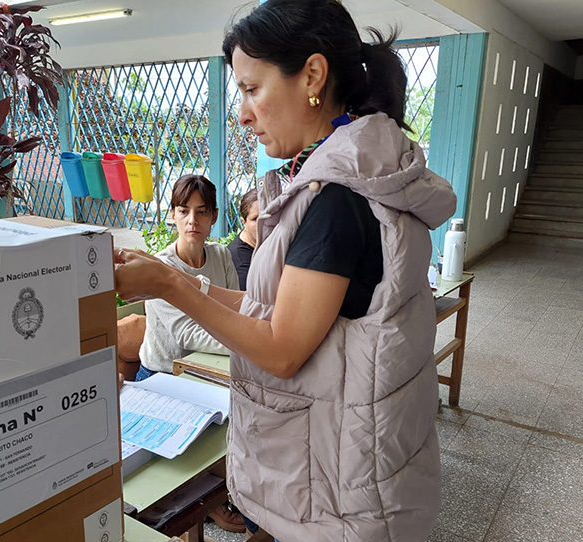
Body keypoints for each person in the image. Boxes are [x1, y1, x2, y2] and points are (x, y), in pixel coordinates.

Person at [114, 1, 456, 540]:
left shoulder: (338, 199)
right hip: (353, 462)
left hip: (341, 488)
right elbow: (274, 309)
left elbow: (281, 346)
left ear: (313, 76)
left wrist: (166, 284)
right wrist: (180, 281)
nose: (243, 113)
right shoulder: (353, 175)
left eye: (252, 90)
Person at [136, 174, 240, 382]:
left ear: (214, 216)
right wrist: (249, 345)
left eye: (201, 212)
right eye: (184, 211)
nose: (192, 220)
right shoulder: (161, 267)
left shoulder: (221, 255)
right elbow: (187, 334)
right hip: (161, 375)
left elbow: (236, 310)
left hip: (209, 367)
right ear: (173, 215)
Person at [227, 189, 258, 290]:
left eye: (268, 216)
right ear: (243, 222)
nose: (264, 223)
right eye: (256, 219)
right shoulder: (241, 265)